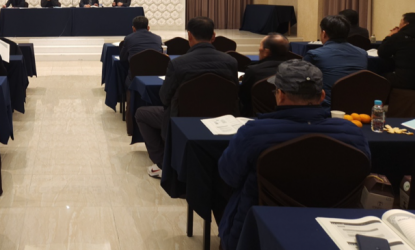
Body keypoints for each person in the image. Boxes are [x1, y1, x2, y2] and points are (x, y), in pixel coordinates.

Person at [218, 60, 371, 250]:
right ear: (322, 96)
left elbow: (228, 175)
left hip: (258, 232)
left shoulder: (253, 133)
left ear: (280, 95)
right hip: (335, 231)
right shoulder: (353, 134)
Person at [136, 17, 238, 178]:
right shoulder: (231, 61)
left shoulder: (178, 63)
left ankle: (163, 164)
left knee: (142, 113)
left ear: (189, 36)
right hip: (221, 118)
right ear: (213, 36)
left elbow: (164, 97)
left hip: (182, 120)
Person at [303, 15, 368, 106]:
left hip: (326, 107)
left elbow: (302, 84)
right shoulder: (362, 53)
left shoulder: (314, 55)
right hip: (359, 106)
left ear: (324, 33)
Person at [238, 33, 292, 116]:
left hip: (257, 117)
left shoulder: (253, 71)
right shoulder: (295, 71)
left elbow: (244, 97)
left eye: (260, 46)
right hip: (288, 115)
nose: (259, 49)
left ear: (266, 52)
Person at [378, 12, 415, 89]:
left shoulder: (399, 37)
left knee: (377, 76)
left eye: (401, 23)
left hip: (404, 80)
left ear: (406, 24)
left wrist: (390, 36)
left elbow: (382, 52)